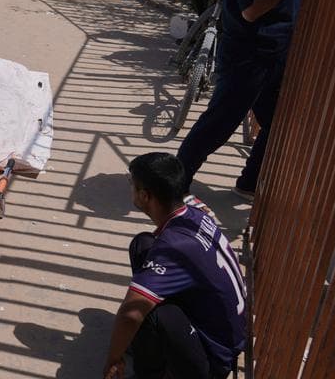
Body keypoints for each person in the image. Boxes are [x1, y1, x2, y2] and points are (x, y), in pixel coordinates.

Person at [176, 0, 325, 198]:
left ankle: (249, 183)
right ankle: (173, 183)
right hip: (249, 53)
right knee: (220, 121)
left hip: (275, 54)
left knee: (277, 123)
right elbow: (251, 11)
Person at [103, 152, 246, 379]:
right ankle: (151, 346)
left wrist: (113, 358)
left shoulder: (173, 248)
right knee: (143, 245)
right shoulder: (195, 213)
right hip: (225, 329)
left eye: (132, 184)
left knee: (146, 312)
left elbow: (130, 314)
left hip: (213, 361)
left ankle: (150, 374)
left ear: (144, 195)